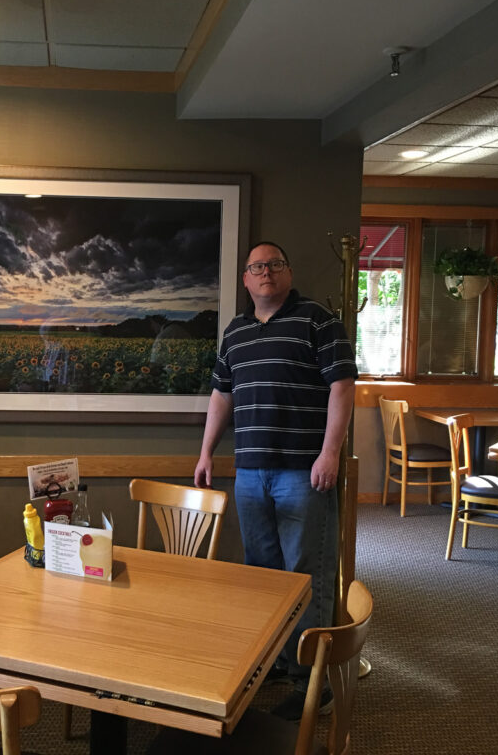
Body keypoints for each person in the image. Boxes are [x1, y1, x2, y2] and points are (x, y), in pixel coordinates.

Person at [193, 241, 357, 720]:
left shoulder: (318, 321)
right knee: (261, 575)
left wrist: (330, 453)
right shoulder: (236, 332)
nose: (266, 272)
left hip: (304, 473)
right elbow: (222, 394)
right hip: (249, 474)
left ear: (288, 272)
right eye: (257, 267)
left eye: (275, 265)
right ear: (246, 279)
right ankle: (278, 663)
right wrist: (206, 452)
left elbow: (343, 387)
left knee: (307, 575)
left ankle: (313, 683)